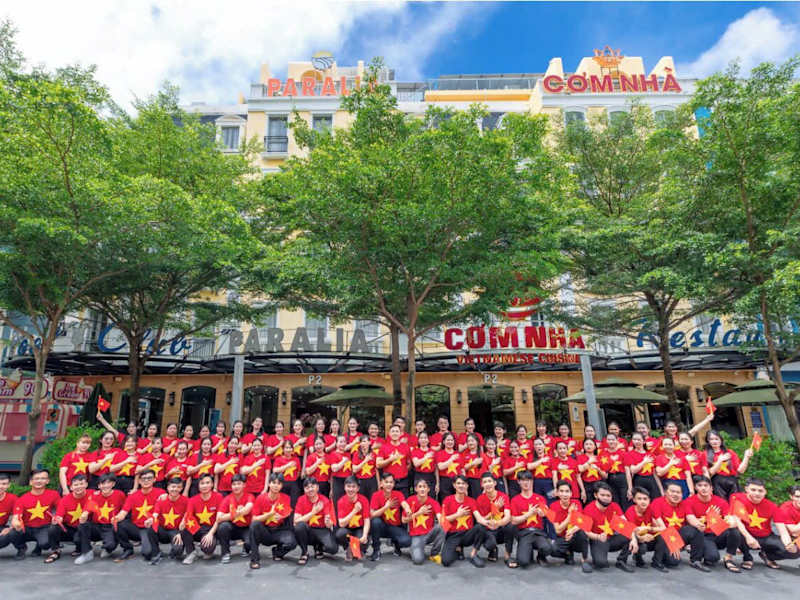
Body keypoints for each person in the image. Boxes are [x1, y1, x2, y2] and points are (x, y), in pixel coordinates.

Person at [730, 477, 800, 570]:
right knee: (732, 525)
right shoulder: (737, 498)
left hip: (765, 536)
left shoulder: (772, 506)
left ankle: (767, 555)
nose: (757, 493)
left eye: (760, 491)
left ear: (765, 492)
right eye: (753, 490)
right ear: (746, 489)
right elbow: (736, 519)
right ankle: (747, 557)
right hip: (745, 534)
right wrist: (748, 537)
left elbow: (783, 531)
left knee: (795, 552)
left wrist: (789, 545)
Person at [681, 475, 742, 572]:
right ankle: (701, 549)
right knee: (712, 558)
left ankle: (728, 558)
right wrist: (709, 517)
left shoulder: (720, 502)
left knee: (734, 532)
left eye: (706, 485)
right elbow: (694, 522)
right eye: (700, 485)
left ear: (711, 488)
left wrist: (718, 519)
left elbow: (733, 522)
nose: (703, 488)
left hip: (718, 533)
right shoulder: (689, 501)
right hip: (703, 536)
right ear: (695, 488)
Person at [649, 482, 706, 572]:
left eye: (678, 492)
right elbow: (661, 527)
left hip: (678, 535)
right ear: (665, 492)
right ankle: (657, 560)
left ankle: (696, 560)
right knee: (673, 562)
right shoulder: (657, 502)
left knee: (696, 530)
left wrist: (699, 524)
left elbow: (690, 517)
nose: (675, 494)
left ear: (682, 495)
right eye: (672, 491)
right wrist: (674, 544)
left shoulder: (684, 504)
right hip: (663, 536)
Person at [581, 481, 636, 572]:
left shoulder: (615, 506)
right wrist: (598, 537)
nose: (606, 498)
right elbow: (586, 532)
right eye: (602, 495)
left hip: (612, 539)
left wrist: (634, 539)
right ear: (596, 495)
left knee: (632, 534)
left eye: (608, 496)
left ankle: (621, 561)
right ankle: (598, 557)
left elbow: (626, 524)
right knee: (601, 563)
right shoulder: (588, 509)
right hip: (598, 540)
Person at [248, 473, 297, 569]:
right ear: (269, 484)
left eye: (279, 483)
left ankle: (277, 552)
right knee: (254, 525)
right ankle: (254, 559)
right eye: (273, 483)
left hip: (279, 530)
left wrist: (282, 516)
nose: (276, 486)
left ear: (282, 486)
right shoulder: (261, 498)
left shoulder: (286, 498)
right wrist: (269, 515)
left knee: (292, 543)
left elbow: (288, 512)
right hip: (265, 531)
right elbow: (254, 519)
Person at [74, 473, 125, 564]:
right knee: (82, 528)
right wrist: (84, 515)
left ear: (113, 484)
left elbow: (124, 510)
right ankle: (87, 553)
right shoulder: (94, 495)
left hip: (110, 526)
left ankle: (108, 548)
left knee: (110, 545)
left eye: (108, 483)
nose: (105, 486)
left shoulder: (119, 494)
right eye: (102, 483)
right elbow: (87, 509)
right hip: (96, 526)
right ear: (99, 486)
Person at [114, 468, 161, 562]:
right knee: (119, 524)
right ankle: (128, 549)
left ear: (154, 479)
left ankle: (155, 548)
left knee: (147, 553)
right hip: (136, 527)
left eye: (149, 478)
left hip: (151, 528)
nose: (146, 481)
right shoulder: (133, 496)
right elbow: (124, 512)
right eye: (143, 479)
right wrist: (117, 517)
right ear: (139, 481)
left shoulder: (161, 493)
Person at [508, 470, 552, 569]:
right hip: (524, 533)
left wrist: (544, 513)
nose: (526, 483)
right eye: (523, 480)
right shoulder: (515, 500)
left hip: (538, 532)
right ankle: (527, 550)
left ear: (532, 481)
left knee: (548, 548)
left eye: (528, 480)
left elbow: (548, 515)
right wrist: (529, 514)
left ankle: (540, 556)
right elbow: (513, 520)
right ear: (518, 482)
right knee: (523, 562)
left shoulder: (540, 498)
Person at [441, 475, 485, 567]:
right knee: (446, 561)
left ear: (467, 486)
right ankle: (458, 549)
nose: (461, 485)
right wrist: (457, 514)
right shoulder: (447, 500)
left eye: (463, 483)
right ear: (454, 485)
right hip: (453, 534)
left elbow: (479, 518)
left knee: (480, 527)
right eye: (458, 483)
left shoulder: (471, 501)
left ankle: (473, 554)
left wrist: (490, 522)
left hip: (467, 534)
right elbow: (443, 520)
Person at [293, 477, 338, 564]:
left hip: (321, 529)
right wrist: (313, 512)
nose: (310, 489)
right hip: (308, 529)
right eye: (307, 488)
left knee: (333, 549)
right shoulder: (301, 499)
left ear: (317, 487)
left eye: (312, 486)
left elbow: (329, 524)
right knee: (299, 526)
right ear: (304, 490)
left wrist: (328, 522)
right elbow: (296, 521)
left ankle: (319, 546)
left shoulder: (324, 500)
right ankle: (304, 552)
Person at [179, 473, 222, 565]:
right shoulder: (193, 500)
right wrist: (182, 526)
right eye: (202, 483)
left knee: (208, 548)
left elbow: (219, 519)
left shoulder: (218, 497)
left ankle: (208, 550)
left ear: (212, 484)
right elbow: (188, 515)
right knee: (185, 527)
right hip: (197, 528)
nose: (205, 486)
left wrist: (210, 534)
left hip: (211, 528)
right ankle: (191, 552)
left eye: (207, 483)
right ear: (198, 486)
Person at [550, 479, 592, 573]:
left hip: (575, 536)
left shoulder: (576, 503)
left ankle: (584, 560)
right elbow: (558, 530)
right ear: (557, 493)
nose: (564, 494)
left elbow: (582, 523)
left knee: (582, 533)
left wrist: (571, 531)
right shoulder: (553, 506)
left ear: (571, 493)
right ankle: (568, 553)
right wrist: (570, 516)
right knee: (552, 550)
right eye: (561, 491)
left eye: (567, 491)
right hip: (562, 537)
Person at [369, 472, 411, 560]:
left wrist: (408, 509)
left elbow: (404, 503)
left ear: (394, 484)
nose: (389, 484)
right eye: (386, 482)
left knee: (407, 541)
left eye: (391, 482)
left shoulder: (398, 494)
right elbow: (372, 514)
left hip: (395, 527)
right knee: (375, 521)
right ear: (381, 483)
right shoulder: (376, 495)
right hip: (382, 527)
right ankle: (376, 549)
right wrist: (386, 507)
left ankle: (396, 544)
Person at [402, 478, 444, 565]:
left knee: (443, 525)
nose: (422, 489)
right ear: (416, 489)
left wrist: (442, 520)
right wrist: (419, 513)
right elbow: (403, 520)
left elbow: (440, 517)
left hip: (429, 534)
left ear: (428, 489)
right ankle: (415, 548)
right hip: (416, 536)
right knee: (418, 560)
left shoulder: (433, 502)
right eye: (420, 487)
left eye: (424, 487)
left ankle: (435, 553)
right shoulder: (410, 500)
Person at [474, 472, 514, 563]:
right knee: (489, 543)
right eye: (485, 482)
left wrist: (497, 523)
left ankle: (507, 556)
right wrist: (494, 510)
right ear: (482, 485)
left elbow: (507, 517)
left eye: (489, 481)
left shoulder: (503, 496)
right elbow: (481, 520)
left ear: (495, 483)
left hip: (500, 528)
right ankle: (493, 549)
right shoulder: (480, 499)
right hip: (488, 529)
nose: (487, 484)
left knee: (510, 526)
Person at [49, 473, 89, 562]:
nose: (79, 487)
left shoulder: (92, 494)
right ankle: (56, 550)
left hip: (84, 527)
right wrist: (57, 519)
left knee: (79, 537)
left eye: (81, 484)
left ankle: (80, 548)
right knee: (53, 528)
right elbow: (59, 515)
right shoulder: (65, 500)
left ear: (86, 484)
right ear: (71, 487)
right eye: (76, 485)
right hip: (70, 527)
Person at [216, 474, 255, 563]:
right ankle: (225, 552)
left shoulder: (250, 496)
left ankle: (246, 548)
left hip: (246, 528)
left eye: (239, 484)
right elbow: (218, 518)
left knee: (250, 541)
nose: (236, 486)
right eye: (234, 484)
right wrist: (235, 513)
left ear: (244, 485)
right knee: (223, 526)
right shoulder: (227, 498)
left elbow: (247, 509)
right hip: (233, 527)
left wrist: (240, 511)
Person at [150, 477, 189, 564]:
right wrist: (151, 520)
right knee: (151, 527)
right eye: (173, 487)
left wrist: (181, 533)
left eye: (178, 487)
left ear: (182, 488)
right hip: (162, 530)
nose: (175, 489)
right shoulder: (161, 500)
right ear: (168, 487)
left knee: (178, 551)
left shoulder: (186, 501)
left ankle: (175, 550)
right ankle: (156, 552)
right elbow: (155, 514)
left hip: (176, 531)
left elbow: (188, 518)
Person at [706, 429, 752, 500]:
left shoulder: (730, 452)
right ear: (708, 441)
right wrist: (720, 461)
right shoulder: (705, 454)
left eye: (716, 439)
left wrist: (746, 457)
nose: (714, 441)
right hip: (717, 484)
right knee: (722, 504)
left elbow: (741, 470)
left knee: (735, 503)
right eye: (711, 439)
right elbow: (710, 473)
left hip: (732, 482)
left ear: (721, 440)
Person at [334, 476, 371, 561]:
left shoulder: (364, 500)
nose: (351, 489)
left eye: (353, 487)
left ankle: (356, 549)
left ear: (358, 488)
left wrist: (365, 535)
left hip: (359, 528)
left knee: (364, 541)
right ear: (344, 487)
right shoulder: (341, 501)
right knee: (340, 534)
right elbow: (341, 524)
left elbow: (366, 520)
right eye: (348, 486)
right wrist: (354, 511)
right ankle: (348, 547)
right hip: (347, 529)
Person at [624, 487, 657, 569]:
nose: (643, 501)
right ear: (634, 500)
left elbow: (661, 527)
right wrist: (640, 537)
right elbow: (631, 530)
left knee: (662, 537)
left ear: (649, 500)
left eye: (645, 499)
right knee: (638, 543)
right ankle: (636, 557)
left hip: (649, 536)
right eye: (639, 499)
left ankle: (658, 560)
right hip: (636, 537)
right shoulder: (630, 511)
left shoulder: (652, 509)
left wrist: (649, 529)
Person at [625, 432, 661, 503]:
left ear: (644, 441)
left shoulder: (650, 455)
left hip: (651, 481)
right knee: (641, 502)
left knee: (655, 502)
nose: (636, 441)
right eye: (634, 439)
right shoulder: (629, 454)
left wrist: (660, 489)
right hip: (638, 480)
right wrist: (644, 462)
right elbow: (633, 470)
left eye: (639, 440)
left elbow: (655, 474)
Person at [378, 424, 412, 498]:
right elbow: (378, 464)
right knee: (390, 503)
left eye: (397, 431)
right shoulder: (384, 447)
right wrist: (390, 459)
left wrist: (403, 471)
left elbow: (409, 464)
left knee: (404, 502)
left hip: (403, 481)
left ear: (400, 433)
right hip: (388, 482)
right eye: (393, 431)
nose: (395, 433)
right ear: (389, 434)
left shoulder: (406, 447)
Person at [598, 434, 628, 509]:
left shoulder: (622, 453)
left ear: (617, 441)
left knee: (625, 501)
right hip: (609, 479)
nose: (611, 441)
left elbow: (627, 470)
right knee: (614, 502)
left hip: (622, 478)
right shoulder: (602, 453)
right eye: (609, 440)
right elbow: (601, 468)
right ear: (606, 441)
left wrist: (630, 487)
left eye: (613, 439)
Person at [272, 439, 302, 506]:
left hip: (294, 485)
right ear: (283, 449)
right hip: (282, 484)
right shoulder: (278, 459)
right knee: (282, 505)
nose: (288, 450)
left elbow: (298, 473)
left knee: (293, 504)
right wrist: (287, 466)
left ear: (292, 449)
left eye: (290, 448)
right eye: (286, 448)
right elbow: (275, 470)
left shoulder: (296, 459)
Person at [774, 485, 800, 562]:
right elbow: (794, 531)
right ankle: (768, 555)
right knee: (793, 552)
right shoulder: (785, 509)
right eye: (797, 496)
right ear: (791, 496)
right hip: (790, 537)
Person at [435, 432, 462, 502]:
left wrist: (464, 483)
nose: (450, 442)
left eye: (452, 440)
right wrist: (451, 459)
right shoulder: (440, 453)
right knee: (445, 501)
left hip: (457, 480)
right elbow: (440, 467)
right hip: (445, 481)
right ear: (444, 442)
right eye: (448, 440)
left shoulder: (458, 454)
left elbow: (462, 469)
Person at [577, 438, 604, 504]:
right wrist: (589, 462)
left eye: (590, 444)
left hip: (599, 484)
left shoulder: (599, 457)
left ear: (595, 447)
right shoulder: (580, 457)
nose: (588, 446)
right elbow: (579, 471)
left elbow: (605, 476)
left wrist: (598, 469)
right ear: (583, 446)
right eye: (586, 444)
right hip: (586, 484)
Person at [327, 435, 353, 505]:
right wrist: (343, 461)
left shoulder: (348, 454)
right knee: (338, 503)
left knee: (348, 503)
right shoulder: (333, 454)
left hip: (348, 481)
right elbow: (334, 469)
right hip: (338, 481)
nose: (343, 444)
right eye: (340, 442)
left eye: (344, 442)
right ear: (336, 443)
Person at [461, 433, 485, 499]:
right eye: (468, 441)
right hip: (467, 481)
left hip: (478, 482)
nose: (470, 443)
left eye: (472, 441)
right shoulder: (464, 454)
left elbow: (485, 471)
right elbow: (462, 468)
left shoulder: (482, 455)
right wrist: (473, 463)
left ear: (477, 442)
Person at [0, 473, 19, 554]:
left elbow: (18, 516)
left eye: (4, 484)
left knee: (13, 531)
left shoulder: (13, 498)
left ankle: (21, 547)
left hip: (2, 527)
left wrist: (10, 528)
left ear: (8, 485)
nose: (0, 486)